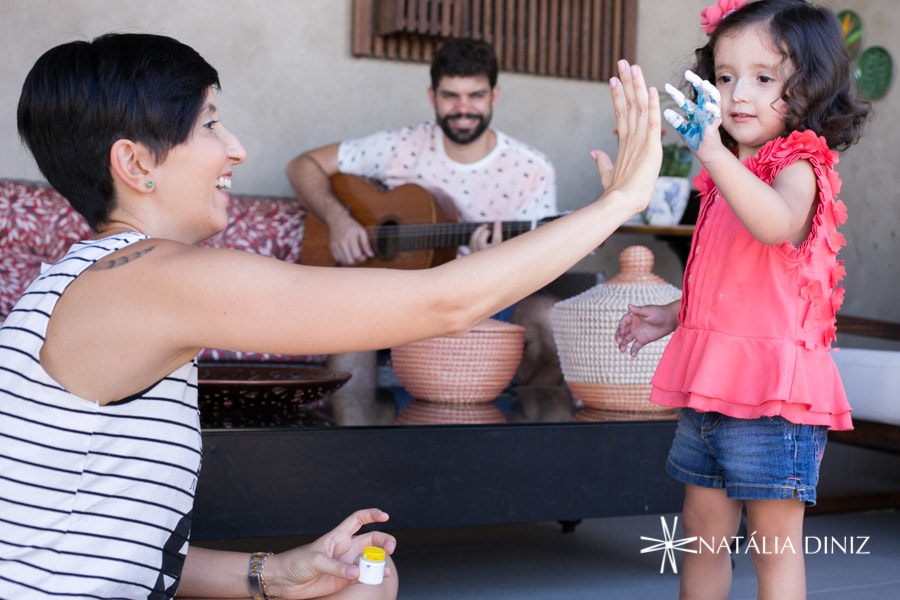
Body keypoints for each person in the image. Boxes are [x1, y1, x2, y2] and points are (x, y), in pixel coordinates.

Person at [0, 32, 662, 599]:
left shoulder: (82, 278)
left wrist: (272, 573)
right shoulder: (156, 278)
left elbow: (90, 539)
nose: (236, 148)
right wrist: (618, 202)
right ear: (136, 162)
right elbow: (443, 302)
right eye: (208, 124)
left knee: (365, 581)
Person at [614, 1, 870, 598]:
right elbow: (732, 274)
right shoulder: (726, 171)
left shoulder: (799, 164)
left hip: (774, 396)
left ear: (809, 86)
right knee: (700, 534)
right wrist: (672, 315)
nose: (737, 95)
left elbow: (775, 224)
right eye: (725, 77)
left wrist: (711, 154)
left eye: (763, 77)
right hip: (710, 385)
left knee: (772, 549)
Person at [286, 38, 566, 426]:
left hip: (490, 302)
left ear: (494, 95)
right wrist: (339, 220)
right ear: (432, 95)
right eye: (450, 96)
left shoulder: (531, 168)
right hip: (398, 301)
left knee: (548, 316)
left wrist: (495, 263)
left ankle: (525, 434)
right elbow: (302, 166)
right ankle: (353, 445)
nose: (463, 108)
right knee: (350, 321)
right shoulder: (400, 146)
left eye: (475, 95)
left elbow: (543, 263)